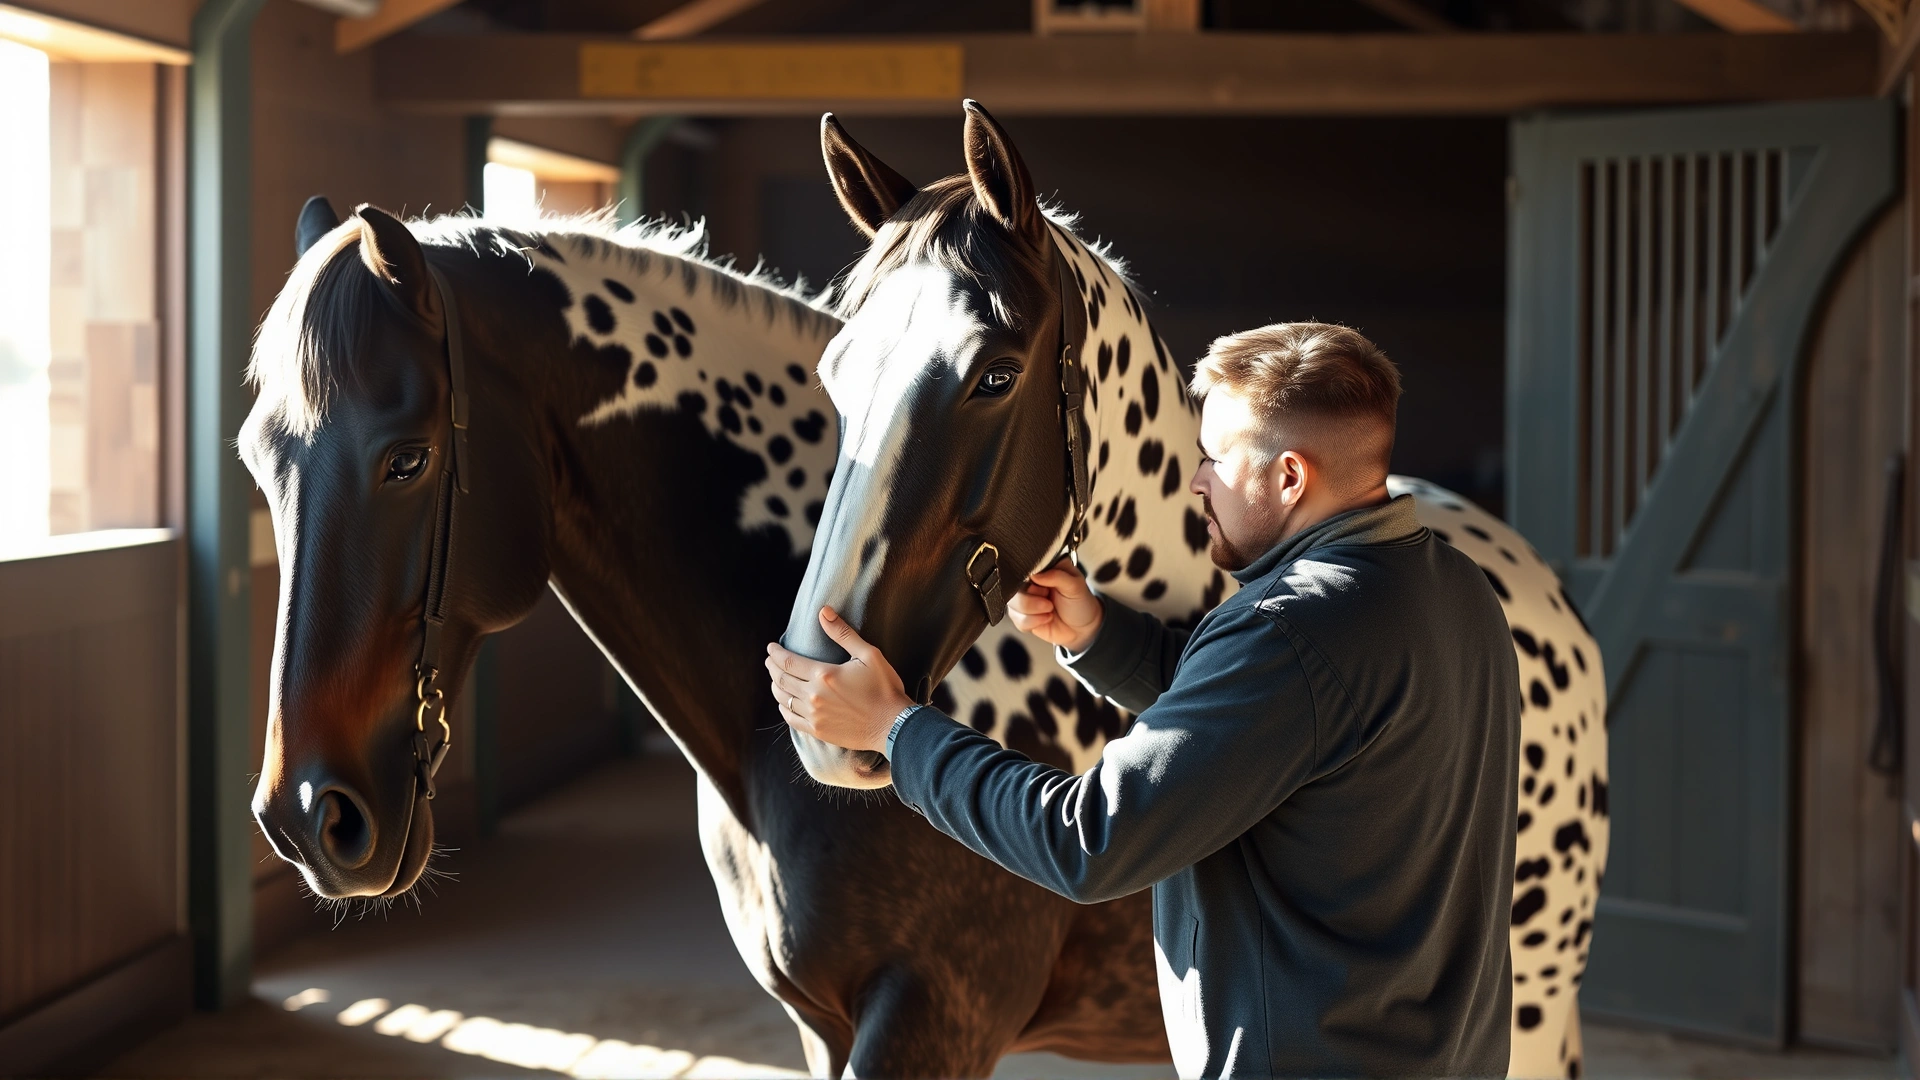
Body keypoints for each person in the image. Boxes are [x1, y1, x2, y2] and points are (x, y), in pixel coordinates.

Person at [765, 322, 1519, 1078]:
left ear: (1290, 477)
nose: (1197, 480)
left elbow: (1088, 842)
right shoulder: (1453, 588)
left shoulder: (1287, 631)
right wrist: (1100, 638)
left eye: (1216, 459)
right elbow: (1288, 731)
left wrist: (896, 731)